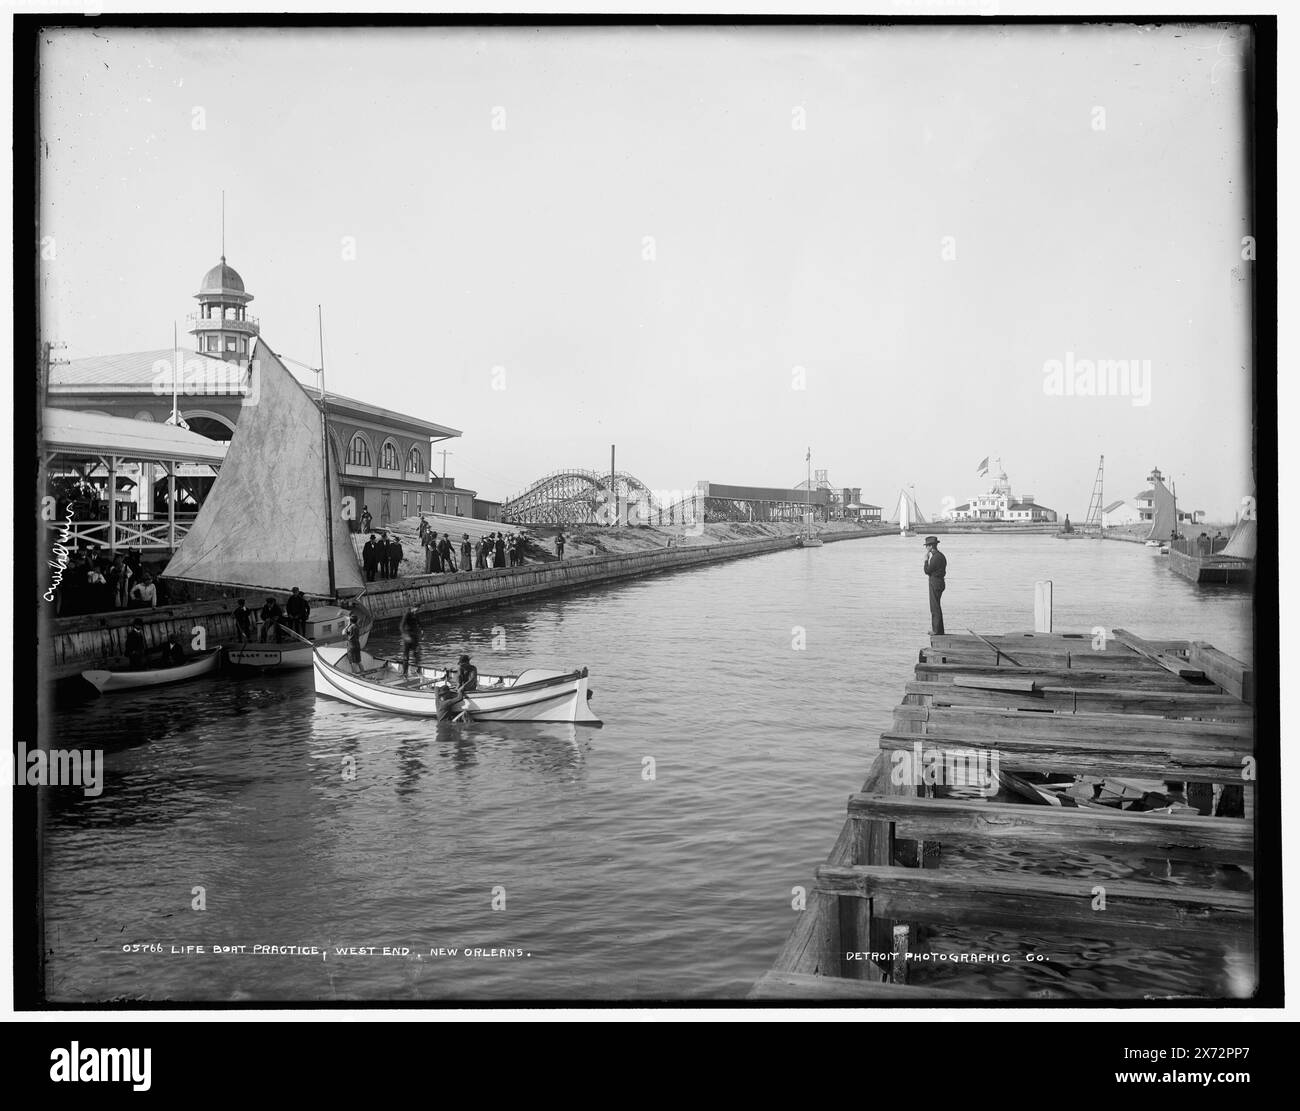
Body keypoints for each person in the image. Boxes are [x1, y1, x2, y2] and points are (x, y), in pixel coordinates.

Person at [923, 536, 947, 636]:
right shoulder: (941, 556)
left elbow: (927, 571)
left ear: (931, 546)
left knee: (934, 607)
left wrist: (925, 560)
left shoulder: (935, 557)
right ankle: (939, 630)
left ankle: (936, 631)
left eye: (927, 546)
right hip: (940, 582)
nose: (926, 548)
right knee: (937, 606)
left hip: (935, 582)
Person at [399, 607, 422, 677]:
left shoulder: (416, 615)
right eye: (416, 610)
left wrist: (422, 630)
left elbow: (419, 623)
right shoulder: (407, 614)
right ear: (413, 608)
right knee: (406, 656)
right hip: (407, 638)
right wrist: (405, 635)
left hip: (414, 637)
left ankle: (417, 670)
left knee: (417, 653)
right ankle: (404, 673)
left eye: (418, 610)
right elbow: (401, 626)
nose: (417, 611)